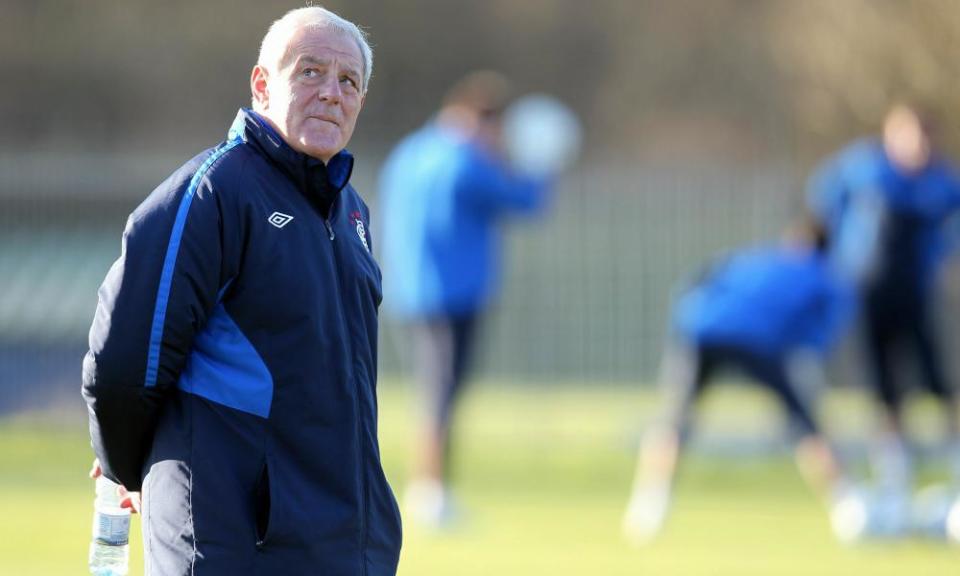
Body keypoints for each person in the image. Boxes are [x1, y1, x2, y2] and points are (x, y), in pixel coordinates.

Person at [81, 7, 401, 575]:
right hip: (233, 545)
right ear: (262, 84)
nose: (331, 92)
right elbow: (125, 363)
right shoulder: (211, 192)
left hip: (340, 545)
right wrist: (128, 469)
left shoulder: (351, 212)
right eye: (309, 71)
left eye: (348, 81)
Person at [378, 71, 552, 527]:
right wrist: (542, 164)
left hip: (408, 290)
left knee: (431, 393)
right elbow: (526, 201)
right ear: (484, 122)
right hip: (455, 295)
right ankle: (430, 492)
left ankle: (428, 488)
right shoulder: (466, 161)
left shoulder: (411, 151)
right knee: (443, 396)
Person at [622, 218, 854, 544]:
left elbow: (694, 283)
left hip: (699, 330)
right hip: (757, 340)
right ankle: (847, 506)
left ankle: (649, 505)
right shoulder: (823, 277)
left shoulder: (752, 258)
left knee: (675, 420)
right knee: (803, 422)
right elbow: (820, 336)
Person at [807, 103, 960, 498]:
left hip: (915, 294)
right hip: (867, 293)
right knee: (882, 388)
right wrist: (841, 252)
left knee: (938, 383)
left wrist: (943, 259)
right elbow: (824, 199)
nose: (918, 145)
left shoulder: (941, 182)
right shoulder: (865, 168)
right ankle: (895, 476)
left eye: (925, 136)